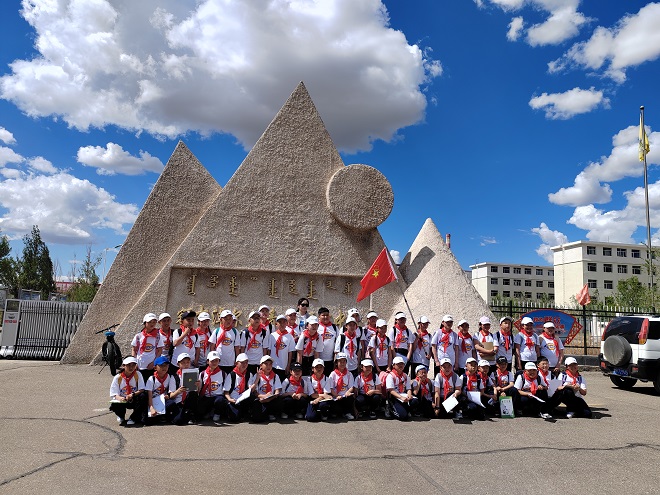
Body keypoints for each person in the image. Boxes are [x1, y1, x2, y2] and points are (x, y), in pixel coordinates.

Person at [109, 356, 147, 426]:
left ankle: (133, 417)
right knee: (115, 403)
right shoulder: (118, 377)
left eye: (133, 365)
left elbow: (142, 389)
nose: (131, 367)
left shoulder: (138, 374)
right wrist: (120, 398)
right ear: (124, 366)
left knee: (143, 396)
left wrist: (132, 394)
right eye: (129, 365)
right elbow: (114, 393)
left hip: (133, 398)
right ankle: (121, 415)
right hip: (123, 399)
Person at [223, 353, 256, 423]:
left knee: (252, 397)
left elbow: (251, 389)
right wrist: (230, 399)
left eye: (246, 362)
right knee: (234, 419)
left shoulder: (249, 374)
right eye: (242, 363)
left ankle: (246, 413)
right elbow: (226, 392)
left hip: (243, 398)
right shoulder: (231, 375)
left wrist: (257, 379)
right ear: (236, 363)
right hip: (233, 399)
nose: (244, 365)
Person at [145, 356, 179, 425]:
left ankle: (165, 416)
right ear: (155, 368)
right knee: (147, 422)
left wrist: (168, 396)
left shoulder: (170, 377)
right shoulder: (152, 379)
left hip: (163, 400)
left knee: (172, 403)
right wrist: (151, 408)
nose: (164, 368)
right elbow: (149, 395)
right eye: (161, 366)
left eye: (166, 365)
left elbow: (170, 392)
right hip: (153, 401)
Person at [131, 313, 163, 382]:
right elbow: (133, 349)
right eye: (150, 322)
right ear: (145, 323)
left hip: (151, 367)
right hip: (139, 366)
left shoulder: (157, 336)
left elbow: (160, 351)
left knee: (150, 384)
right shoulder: (138, 336)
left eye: (154, 322)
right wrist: (135, 362)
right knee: (139, 384)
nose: (152, 324)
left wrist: (153, 363)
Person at [171, 353, 200, 425]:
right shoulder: (174, 377)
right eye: (183, 363)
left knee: (193, 394)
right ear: (178, 364)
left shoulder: (194, 374)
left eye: (188, 362)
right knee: (178, 421)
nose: (186, 364)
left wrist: (198, 386)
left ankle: (191, 415)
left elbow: (197, 392)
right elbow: (171, 395)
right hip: (179, 401)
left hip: (189, 401)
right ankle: (185, 415)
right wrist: (178, 391)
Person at [196, 351, 226, 423]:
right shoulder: (202, 373)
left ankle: (217, 413)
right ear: (207, 361)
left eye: (216, 360)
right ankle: (209, 411)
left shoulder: (223, 373)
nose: (214, 363)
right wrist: (197, 386)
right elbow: (199, 389)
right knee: (200, 411)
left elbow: (225, 387)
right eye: (212, 361)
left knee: (220, 400)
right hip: (207, 396)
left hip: (217, 396)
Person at [325, 352, 356, 420]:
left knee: (350, 398)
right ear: (336, 363)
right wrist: (336, 395)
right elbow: (331, 388)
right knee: (336, 408)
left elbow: (351, 386)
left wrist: (348, 392)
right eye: (340, 361)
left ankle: (347, 412)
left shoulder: (349, 374)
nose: (342, 363)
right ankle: (336, 412)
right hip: (336, 396)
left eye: (344, 361)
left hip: (345, 396)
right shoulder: (333, 374)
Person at [251, 355, 282, 423]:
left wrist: (274, 395)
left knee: (279, 399)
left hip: (271, 399)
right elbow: (255, 392)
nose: (268, 366)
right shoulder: (257, 376)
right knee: (257, 419)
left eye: (270, 364)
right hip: (261, 399)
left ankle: (271, 413)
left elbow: (277, 389)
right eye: (266, 364)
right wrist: (263, 396)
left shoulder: (275, 376)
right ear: (261, 365)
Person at [210, 309, 241, 374]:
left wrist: (237, 360)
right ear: (221, 320)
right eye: (226, 319)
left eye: (230, 319)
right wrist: (212, 360)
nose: (228, 321)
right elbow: (212, 347)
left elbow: (236, 348)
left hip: (230, 362)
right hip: (219, 362)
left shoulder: (235, 332)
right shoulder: (216, 331)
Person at [266, 314, 295, 381]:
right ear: (276, 324)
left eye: (284, 322)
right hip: (273, 365)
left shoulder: (289, 337)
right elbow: (269, 351)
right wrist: (268, 365)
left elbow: (290, 352)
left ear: (286, 323)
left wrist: (288, 365)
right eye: (280, 322)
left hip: (283, 365)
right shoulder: (272, 336)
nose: (282, 324)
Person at [240, 311, 270, 375]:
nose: (256, 319)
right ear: (249, 320)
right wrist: (242, 361)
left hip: (259, 362)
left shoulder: (264, 333)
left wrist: (263, 362)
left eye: (258, 318)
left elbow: (265, 348)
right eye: (254, 318)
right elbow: (242, 348)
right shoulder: (245, 333)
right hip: (247, 362)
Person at [386, 356, 413, 420]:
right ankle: (390, 408)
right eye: (398, 364)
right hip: (395, 397)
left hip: (403, 395)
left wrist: (409, 395)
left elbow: (408, 388)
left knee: (414, 401)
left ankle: (406, 410)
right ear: (393, 365)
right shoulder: (390, 376)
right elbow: (391, 390)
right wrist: (401, 397)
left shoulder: (405, 376)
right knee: (403, 417)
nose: (401, 366)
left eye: (402, 364)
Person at [317, 307, 338, 376]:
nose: (325, 317)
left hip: (330, 359)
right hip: (318, 359)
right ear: (319, 317)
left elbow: (338, 342)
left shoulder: (334, 327)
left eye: (327, 315)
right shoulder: (316, 327)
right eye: (323, 315)